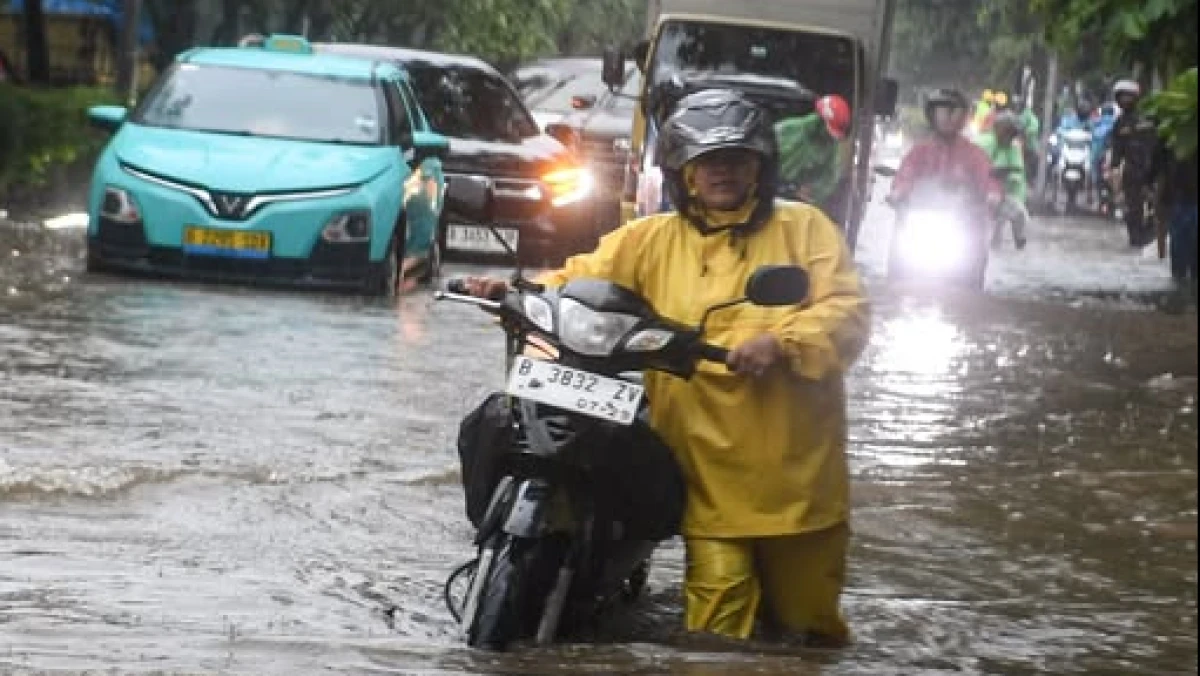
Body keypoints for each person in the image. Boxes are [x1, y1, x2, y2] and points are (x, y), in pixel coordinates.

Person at [463, 89, 869, 645]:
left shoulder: (806, 230)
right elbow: (577, 281)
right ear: (684, 173)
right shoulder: (650, 239)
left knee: (808, 630)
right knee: (716, 638)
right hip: (706, 476)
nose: (721, 172)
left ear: (760, 167)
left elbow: (846, 313)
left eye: (735, 159)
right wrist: (510, 293)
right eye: (707, 162)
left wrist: (782, 341)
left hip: (798, 482)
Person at [888, 88, 1003, 223]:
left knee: (979, 238)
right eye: (942, 112)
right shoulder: (920, 151)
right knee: (899, 239)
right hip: (921, 220)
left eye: (954, 112)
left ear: (963, 117)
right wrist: (898, 191)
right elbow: (906, 173)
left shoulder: (974, 153)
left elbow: (986, 176)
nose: (947, 117)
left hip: (963, 223)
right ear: (932, 115)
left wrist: (993, 194)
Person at [775, 94, 852, 219]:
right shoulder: (788, 129)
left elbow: (829, 177)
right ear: (821, 121)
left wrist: (811, 190)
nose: (829, 136)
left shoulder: (830, 146)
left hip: (797, 205)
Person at [1109, 79, 1160, 247]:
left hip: (1154, 169)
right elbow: (1116, 152)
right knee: (1133, 208)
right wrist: (1114, 170)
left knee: (1157, 205)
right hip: (1132, 171)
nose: (1125, 100)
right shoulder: (1119, 124)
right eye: (1122, 97)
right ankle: (1136, 237)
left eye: (1128, 97)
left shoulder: (1150, 117)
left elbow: (1160, 142)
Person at [1150, 135, 1198, 312]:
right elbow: (1158, 167)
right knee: (1183, 255)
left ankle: (1181, 296)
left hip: (1181, 200)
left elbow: (1156, 168)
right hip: (1180, 199)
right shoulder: (1170, 135)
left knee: (1182, 255)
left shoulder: (1172, 134)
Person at [975, 111, 1029, 250]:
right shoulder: (982, 143)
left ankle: (1020, 246)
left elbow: (1018, 174)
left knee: (1019, 213)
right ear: (999, 129)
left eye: (1013, 133)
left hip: (1002, 194)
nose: (1011, 137)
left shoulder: (1013, 148)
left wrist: (1007, 180)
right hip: (976, 193)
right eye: (1008, 132)